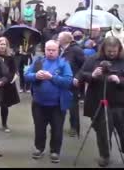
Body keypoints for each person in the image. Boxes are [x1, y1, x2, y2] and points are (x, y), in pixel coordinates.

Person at [76, 37, 124, 167]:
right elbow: (81, 75)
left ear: (119, 49)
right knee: (103, 131)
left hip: (119, 103)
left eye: (115, 51)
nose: (112, 53)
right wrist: (92, 75)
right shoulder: (93, 59)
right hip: (98, 102)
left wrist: (119, 80)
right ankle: (105, 155)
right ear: (103, 49)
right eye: (109, 51)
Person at [24, 40, 73, 164]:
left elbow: (68, 81)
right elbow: (26, 75)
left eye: (53, 50)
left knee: (57, 129)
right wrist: (36, 76)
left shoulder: (63, 63)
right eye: (48, 50)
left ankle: (55, 151)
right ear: (44, 50)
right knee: (39, 128)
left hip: (57, 104)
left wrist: (52, 77)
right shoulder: (38, 61)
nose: (50, 52)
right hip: (39, 103)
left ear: (58, 50)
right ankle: (39, 148)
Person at [57, 32, 85, 138]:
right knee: (59, 105)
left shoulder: (76, 50)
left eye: (59, 38)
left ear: (66, 40)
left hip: (72, 82)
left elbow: (84, 65)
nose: (57, 39)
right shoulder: (60, 50)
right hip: (60, 81)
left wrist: (77, 77)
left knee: (73, 106)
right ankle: (57, 125)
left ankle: (74, 127)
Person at [0, 37, 20, 133]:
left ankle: (4, 123)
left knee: (4, 105)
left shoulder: (10, 57)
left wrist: (5, 80)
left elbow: (13, 70)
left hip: (6, 84)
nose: (2, 46)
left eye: (4, 44)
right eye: (1, 44)